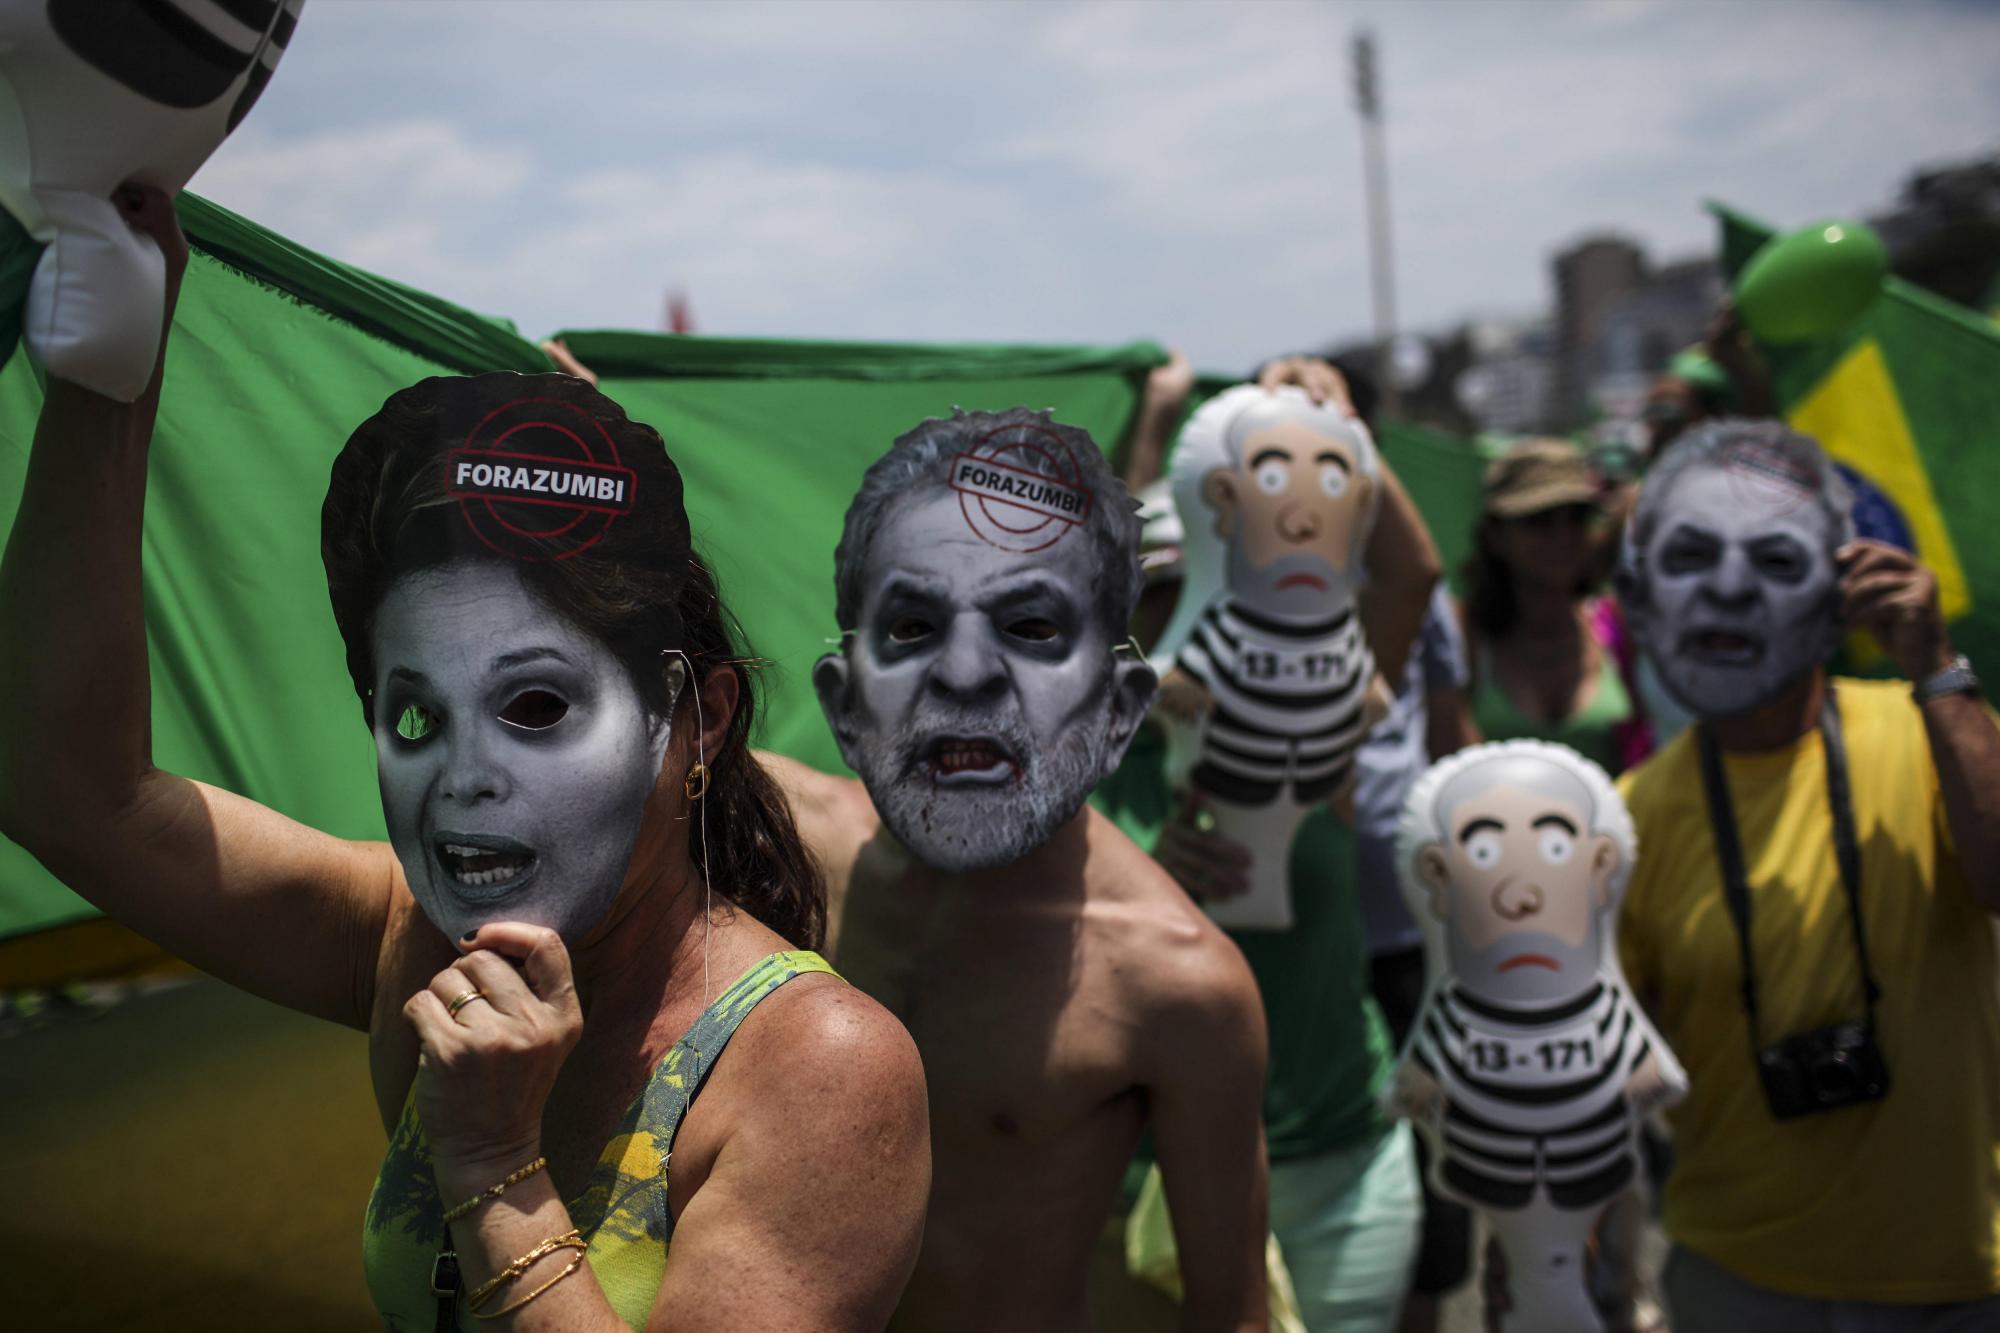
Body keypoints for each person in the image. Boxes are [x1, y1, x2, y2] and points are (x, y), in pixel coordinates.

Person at [0, 188, 930, 1331]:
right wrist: (110, 380)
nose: (465, 777)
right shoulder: (408, 942)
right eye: (414, 719)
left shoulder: (820, 1070)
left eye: (536, 702)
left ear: (696, 720)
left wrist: (492, 1159)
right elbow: (69, 791)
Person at [767, 405, 1271, 1332]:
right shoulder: (784, 845)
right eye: (914, 624)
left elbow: (1232, 1312)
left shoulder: (1173, 981)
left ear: (1119, 712)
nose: (966, 671)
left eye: (1032, 626)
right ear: (843, 705)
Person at [1612, 419, 2000, 1327]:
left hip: (1953, 1274)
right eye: (1693, 555)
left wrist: (1937, 668)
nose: (1732, 588)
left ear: (1837, 601)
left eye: (1780, 564)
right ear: (1638, 599)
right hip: (1740, 1281)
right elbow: (1609, 1074)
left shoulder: (1929, 731)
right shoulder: (1626, 816)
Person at [1101, 356, 1446, 1332]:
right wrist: (1145, 888)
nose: (1172, 613)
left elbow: (1411, 575)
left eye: (1190, 585)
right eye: (1150, 594)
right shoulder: (1065, 775)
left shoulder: (1314, 726)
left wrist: (1335, 433)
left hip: (1339, 1162)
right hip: (1155, 1183)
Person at [1459, 438, 1649, 777]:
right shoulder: (1463, 639)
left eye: (1577, 517)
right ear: (1495, 536)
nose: (1562, 535)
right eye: (1539, 520)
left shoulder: (1619, 627)